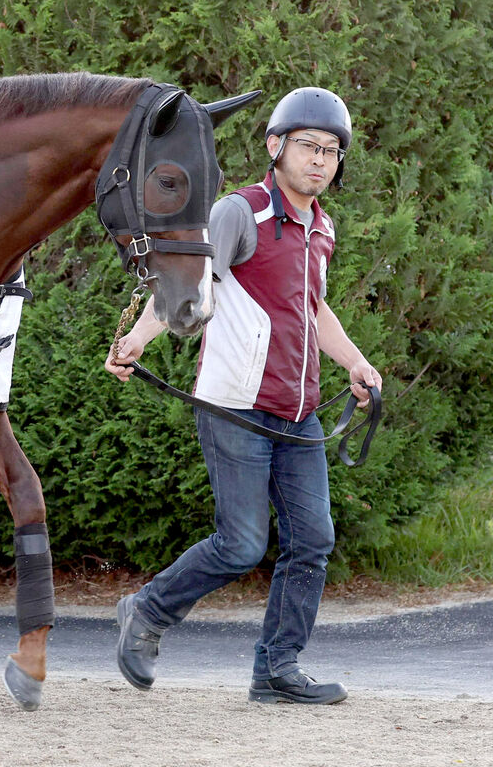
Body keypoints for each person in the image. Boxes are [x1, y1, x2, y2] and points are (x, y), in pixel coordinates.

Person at [104, 87, 382, 704]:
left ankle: (277, 669)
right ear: (276, 146)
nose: (320, 160)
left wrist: (357, 363)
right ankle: (147, 611)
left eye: (333, 151)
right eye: (309, 145)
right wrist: (139, 341)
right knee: (241, 544)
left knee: (313, 541)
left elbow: (314, 307)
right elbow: (192, 282)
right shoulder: (241, 212)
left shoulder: (322, 227)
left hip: (298, 412)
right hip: (235, 405)